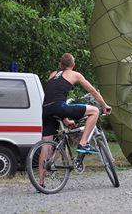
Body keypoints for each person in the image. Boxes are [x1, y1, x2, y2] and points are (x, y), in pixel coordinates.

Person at [39, 53, 111, 187]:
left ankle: (41, 183)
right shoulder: (75, 74)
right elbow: (93, 92)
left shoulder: (53, 74)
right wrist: (104, 105)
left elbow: (54, 96)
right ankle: (83, 143)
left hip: (46, 109)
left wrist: (65, 120)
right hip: (58, 107)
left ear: (61, 64)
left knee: (45, 145)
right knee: (94, 111)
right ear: (73, 65)